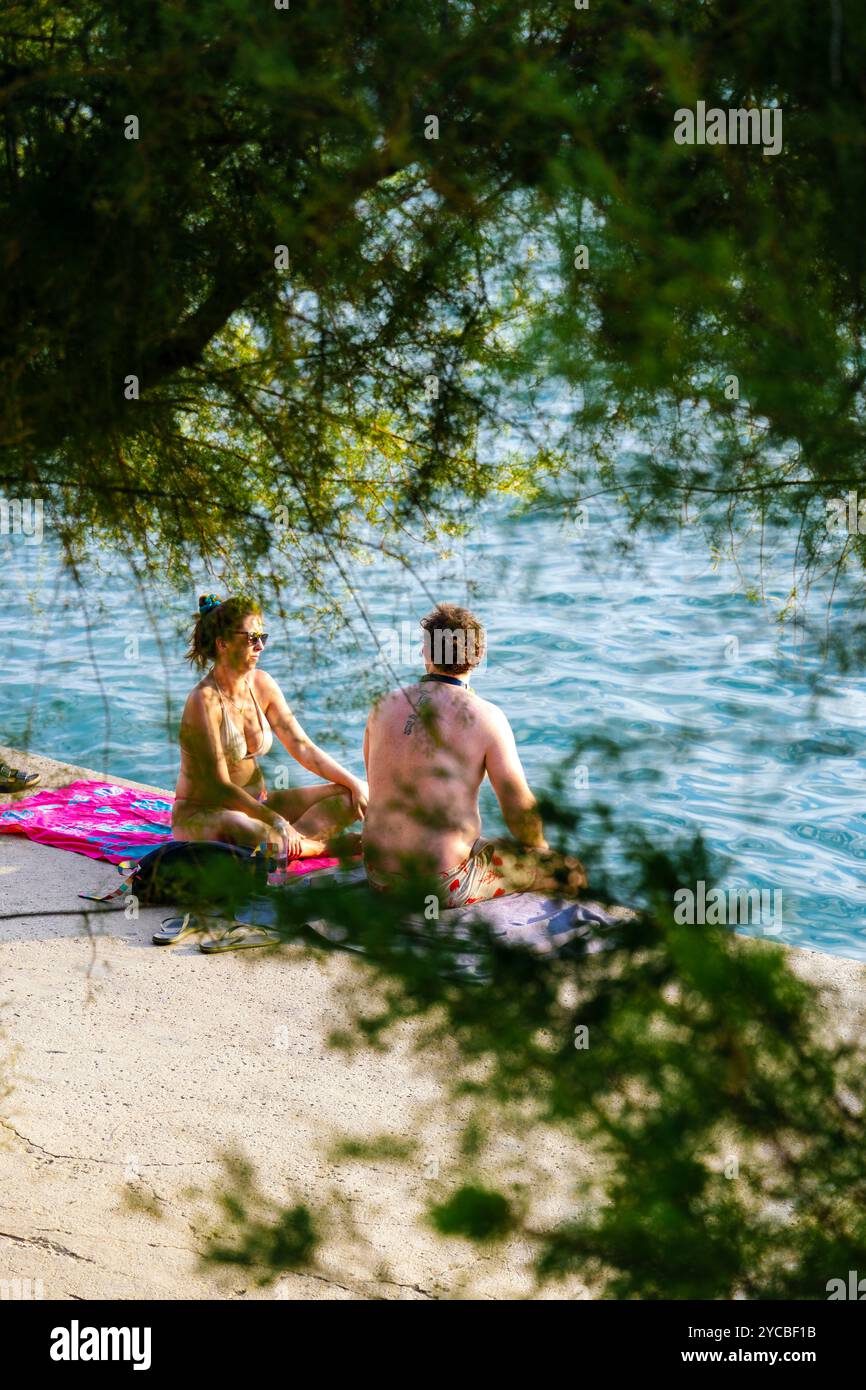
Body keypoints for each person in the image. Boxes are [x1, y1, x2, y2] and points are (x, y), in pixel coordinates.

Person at [362, 603, 587, 907]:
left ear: (427, 653)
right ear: (477, 657)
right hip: (440, 883)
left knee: (485, 844)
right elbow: (518, 808)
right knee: (569, 872)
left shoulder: (382, 706)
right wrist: (540, 852)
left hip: (377, 875)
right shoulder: (486, 717)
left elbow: (377, 783)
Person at [172, 594, 367, 858]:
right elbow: (220, 785)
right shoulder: (203, 701)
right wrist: (276, 821)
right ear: (223, 643)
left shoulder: (262, 684)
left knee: (346, 798)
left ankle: (287, 846)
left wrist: (355, 784)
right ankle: (325, 848)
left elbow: (303, 748)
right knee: (246, 826)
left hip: (258, 806)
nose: (260, 647)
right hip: (205, 814)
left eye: (263, 637)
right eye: (252, 638)